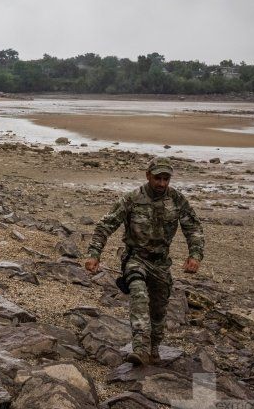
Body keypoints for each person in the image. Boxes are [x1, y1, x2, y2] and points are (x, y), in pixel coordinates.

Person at [84, 156, 204, 365]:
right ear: (148, 175)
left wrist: (195, 255)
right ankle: (139, 348)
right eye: (158, 178)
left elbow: (193, 228)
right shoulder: (132, 199)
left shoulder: (177, 200)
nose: (162, 184)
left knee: (158, 311)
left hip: (161, 263)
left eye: (166, 179)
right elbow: (106, 225)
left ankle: (154, 348)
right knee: (139, 296)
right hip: (136, 258)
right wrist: (94, 253)